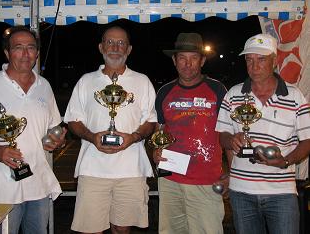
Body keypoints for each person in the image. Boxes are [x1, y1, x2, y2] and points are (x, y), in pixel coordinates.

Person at [0, 26, 66, 234]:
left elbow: (53, 126)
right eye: (18, 47)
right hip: (5, 187)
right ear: (7, 53)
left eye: (30, 47)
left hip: (39, 185)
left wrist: (56, 139)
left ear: (37, 53)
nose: (25, 54)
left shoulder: (44, 86)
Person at [64, 25, 157, 234]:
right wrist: (92, 136)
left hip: (131, 170)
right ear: (101, 47)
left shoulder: (142, 81)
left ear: (129, 49)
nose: (115, 47)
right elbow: (73, 121)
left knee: (122, 229)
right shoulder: (86, 81)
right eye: (110, 42)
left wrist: (133, 137)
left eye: (121, 43)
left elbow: (151, 122)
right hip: (93, 170)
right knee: (91, 230)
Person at [215, 33, 310, 234]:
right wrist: (232, 139)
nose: (254, 65)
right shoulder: (233, 93)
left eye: (261, 59)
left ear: (274, 62)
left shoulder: (294, 96)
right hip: (242, 191)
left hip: (281, 192)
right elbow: (221, 135)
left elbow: (307, 141)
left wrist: (285, 161)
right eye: (249, 60)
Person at [152, 32, 228, 234]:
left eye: (193, 58)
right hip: (170, 180)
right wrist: (155, 152)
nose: (188, 64)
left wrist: (232, 173)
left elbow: (229, 134)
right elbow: (159, 131)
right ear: (175, 61)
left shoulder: (218, 90)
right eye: (183, 58)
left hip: (206, 180)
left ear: (202, 60)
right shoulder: (164, 92)